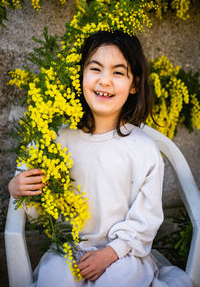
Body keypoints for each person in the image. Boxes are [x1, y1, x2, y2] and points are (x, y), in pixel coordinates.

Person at [8, 30, 193, 287]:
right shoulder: (57, 138)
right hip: (67, 249)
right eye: (95, 69)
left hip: (124, 254)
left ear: (134, 85)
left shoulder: (143, 149)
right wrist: (18, 189)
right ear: (80, 75)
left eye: (118, 72)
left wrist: (110, 253)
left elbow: (145, 219)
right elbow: (38, 208)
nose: (104, 81)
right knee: (55, 279)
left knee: (120, 280)